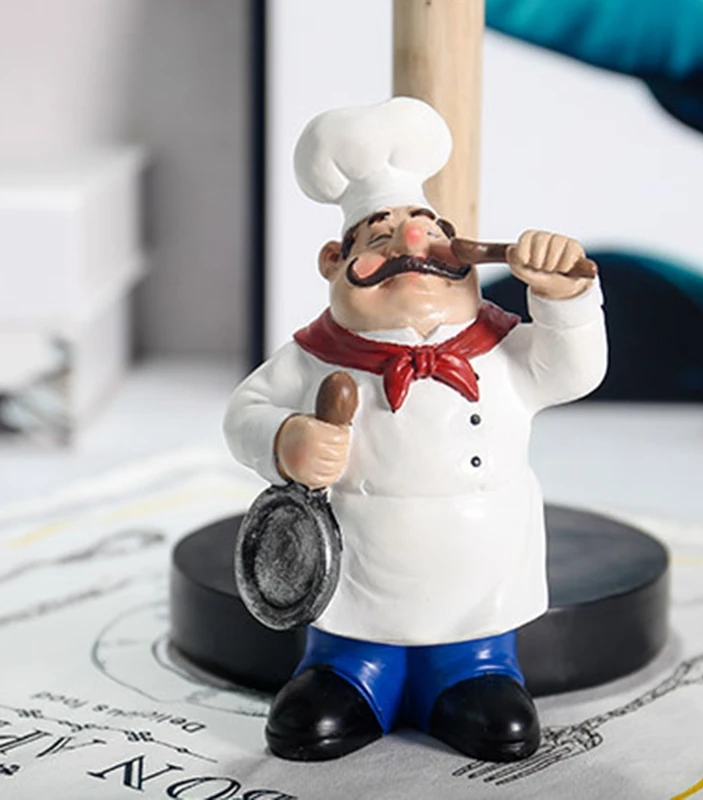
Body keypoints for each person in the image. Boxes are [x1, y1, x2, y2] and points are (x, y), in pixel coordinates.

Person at [224, 97, 607, 762]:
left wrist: (563, 297)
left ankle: (475, 672)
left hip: (478, 581)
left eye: (431, 235)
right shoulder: (312, 357)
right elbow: (243, 413)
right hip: (360, 573)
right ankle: (349, 673)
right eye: (380, 239)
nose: (411, 246)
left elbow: (577, 371)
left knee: (476, 653)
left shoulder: (503, 350)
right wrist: (286, 440)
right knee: (348, 644)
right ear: (333, 261)